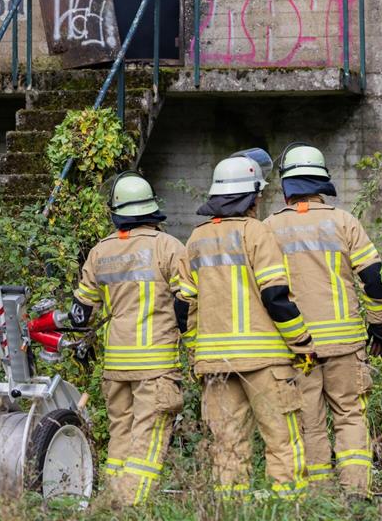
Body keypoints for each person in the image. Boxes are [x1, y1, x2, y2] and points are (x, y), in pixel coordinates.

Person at [177, 150, 315, 499]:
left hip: (215, 365)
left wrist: (196, 353)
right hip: (265, 361)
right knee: (283, 441)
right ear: (253, 196)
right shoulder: (256, 232)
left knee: (227, 445)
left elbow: (184, 307)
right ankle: (290, 507)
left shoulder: (195, 240)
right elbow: (276, 297)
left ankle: (231, 508)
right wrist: (302, 344)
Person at [264, 143, 382, 496]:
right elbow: (372, 277)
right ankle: (356, 492)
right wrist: (379, 323)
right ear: (322, 182)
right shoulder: (344, 221)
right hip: (345, 342)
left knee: (309, 421)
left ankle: (320, 496)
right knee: (350, 414)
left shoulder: (268, 228)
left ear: (287, 185)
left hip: (296, 346)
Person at [70, 172, 188, 505]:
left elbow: (80, 313)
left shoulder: (100, 252)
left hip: (116, 365)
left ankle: (112, 500)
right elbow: (187, 302)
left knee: (120, 437)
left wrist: (83, 347)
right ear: (151, 208)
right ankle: (131, 506)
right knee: (148, 440)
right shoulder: (168, 246)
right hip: (156, 364)